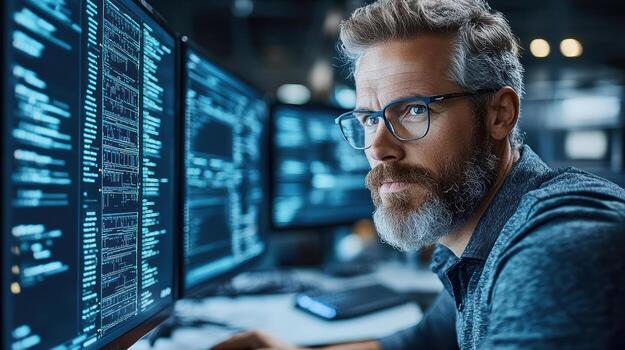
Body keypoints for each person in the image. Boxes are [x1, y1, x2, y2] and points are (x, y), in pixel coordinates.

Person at [212, 0, 625, 349]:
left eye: (414, 110)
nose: (379, 147)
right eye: (369, 119)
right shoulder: (472, 244)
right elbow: (415, 344)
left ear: (500, 115)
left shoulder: (555, 250)